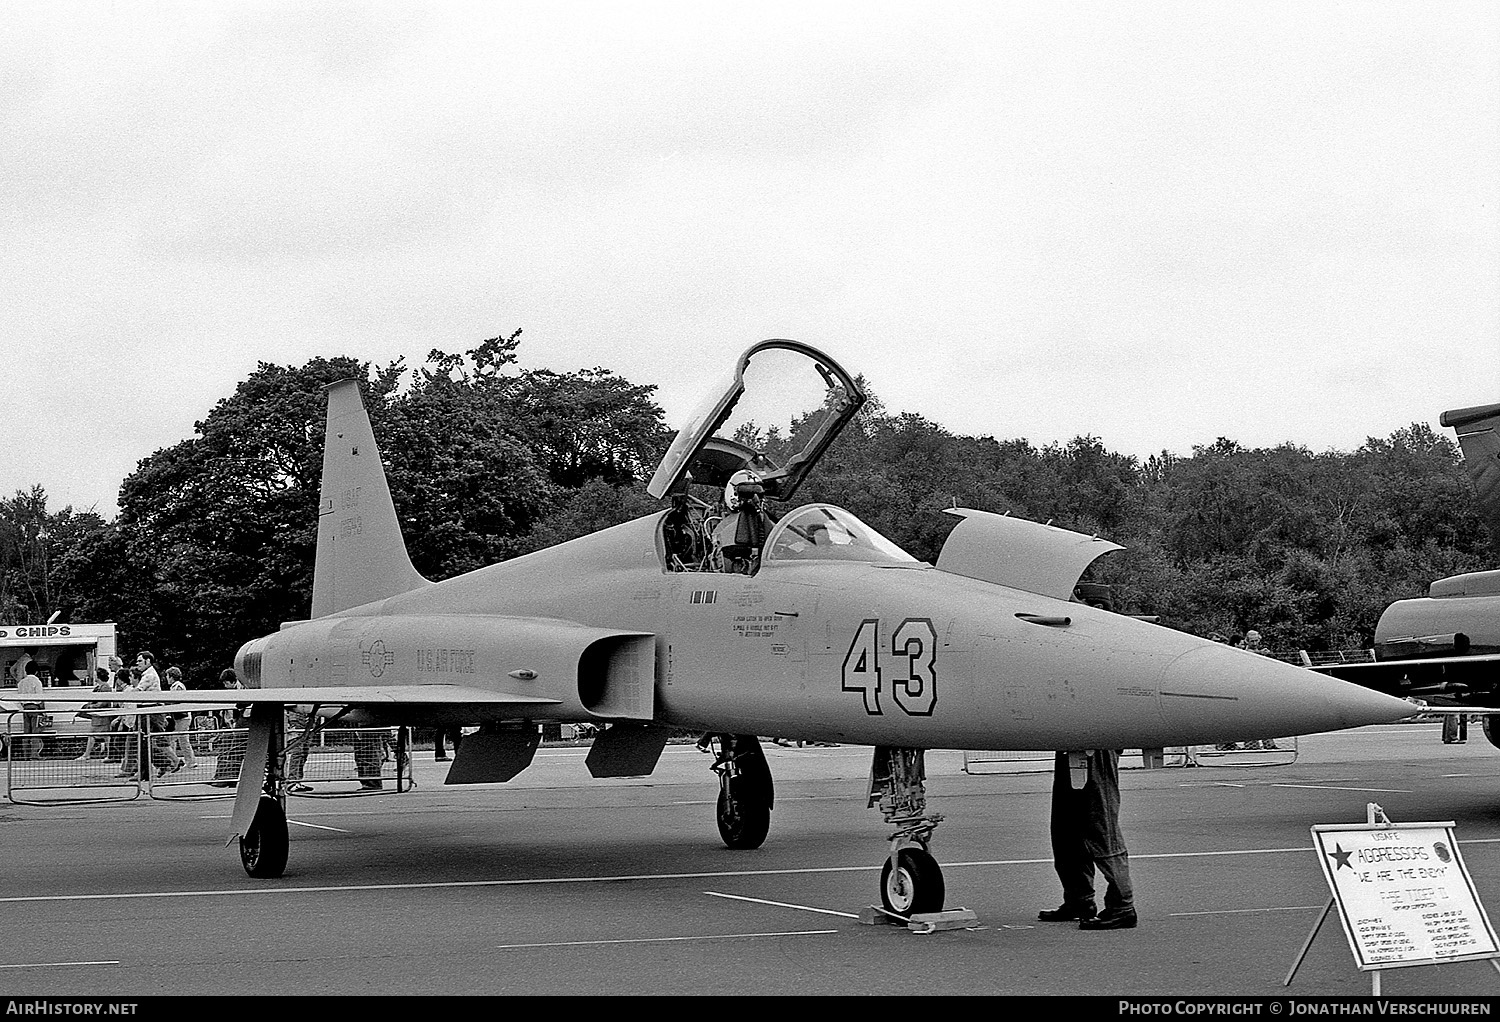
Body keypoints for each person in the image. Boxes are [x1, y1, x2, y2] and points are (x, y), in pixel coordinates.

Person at [1039, 749, 1137, 930]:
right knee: (1066, 831)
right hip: (1070, 748)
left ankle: (1122, 907)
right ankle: (1079, 900)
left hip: (1097, 749)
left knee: (1101, 827)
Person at [713, 470, 775, 575]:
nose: (754, 498)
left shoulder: (764, 521)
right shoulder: (725, 527)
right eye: (747, 492)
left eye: (758, 493)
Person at [209, 668, 247, 787]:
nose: (225, 686)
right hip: (234, 723)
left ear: (232, 681)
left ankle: (228, 777)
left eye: (226, 683)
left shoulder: (241, 689)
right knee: (227, 749)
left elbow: (239, 706)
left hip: (239, 722)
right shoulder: (238, 689)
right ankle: (222, 776)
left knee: (234, 749)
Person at [73, 667, 116, 761]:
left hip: (102, 715)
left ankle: (110, 755)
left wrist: (92, 707)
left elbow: (103, 702)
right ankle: (88, 754)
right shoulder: (98, 687)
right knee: (94, 735)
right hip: (96, 716)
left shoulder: (105, 687)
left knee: (105, 735)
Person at [164, 667, 197, 770]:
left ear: (172, 677)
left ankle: (178, 762)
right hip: (180, 717)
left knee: (176, 739)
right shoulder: (175, 686)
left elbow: (177, 700)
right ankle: (188, 762)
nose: (166, 678)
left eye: (168, 676)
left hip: (183, 717)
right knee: (182, 739)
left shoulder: (177, 686)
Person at [16, 660, 45, 759]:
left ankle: (26, 755)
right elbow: (40, 697)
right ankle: (34, 754)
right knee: (35, 732)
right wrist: (43, 711)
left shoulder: (21, 682)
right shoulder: (37, 681)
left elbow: (19, 697)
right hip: (35, 708)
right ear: (36, 671)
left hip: (25, 708)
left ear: (25, 671)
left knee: (26, 732)